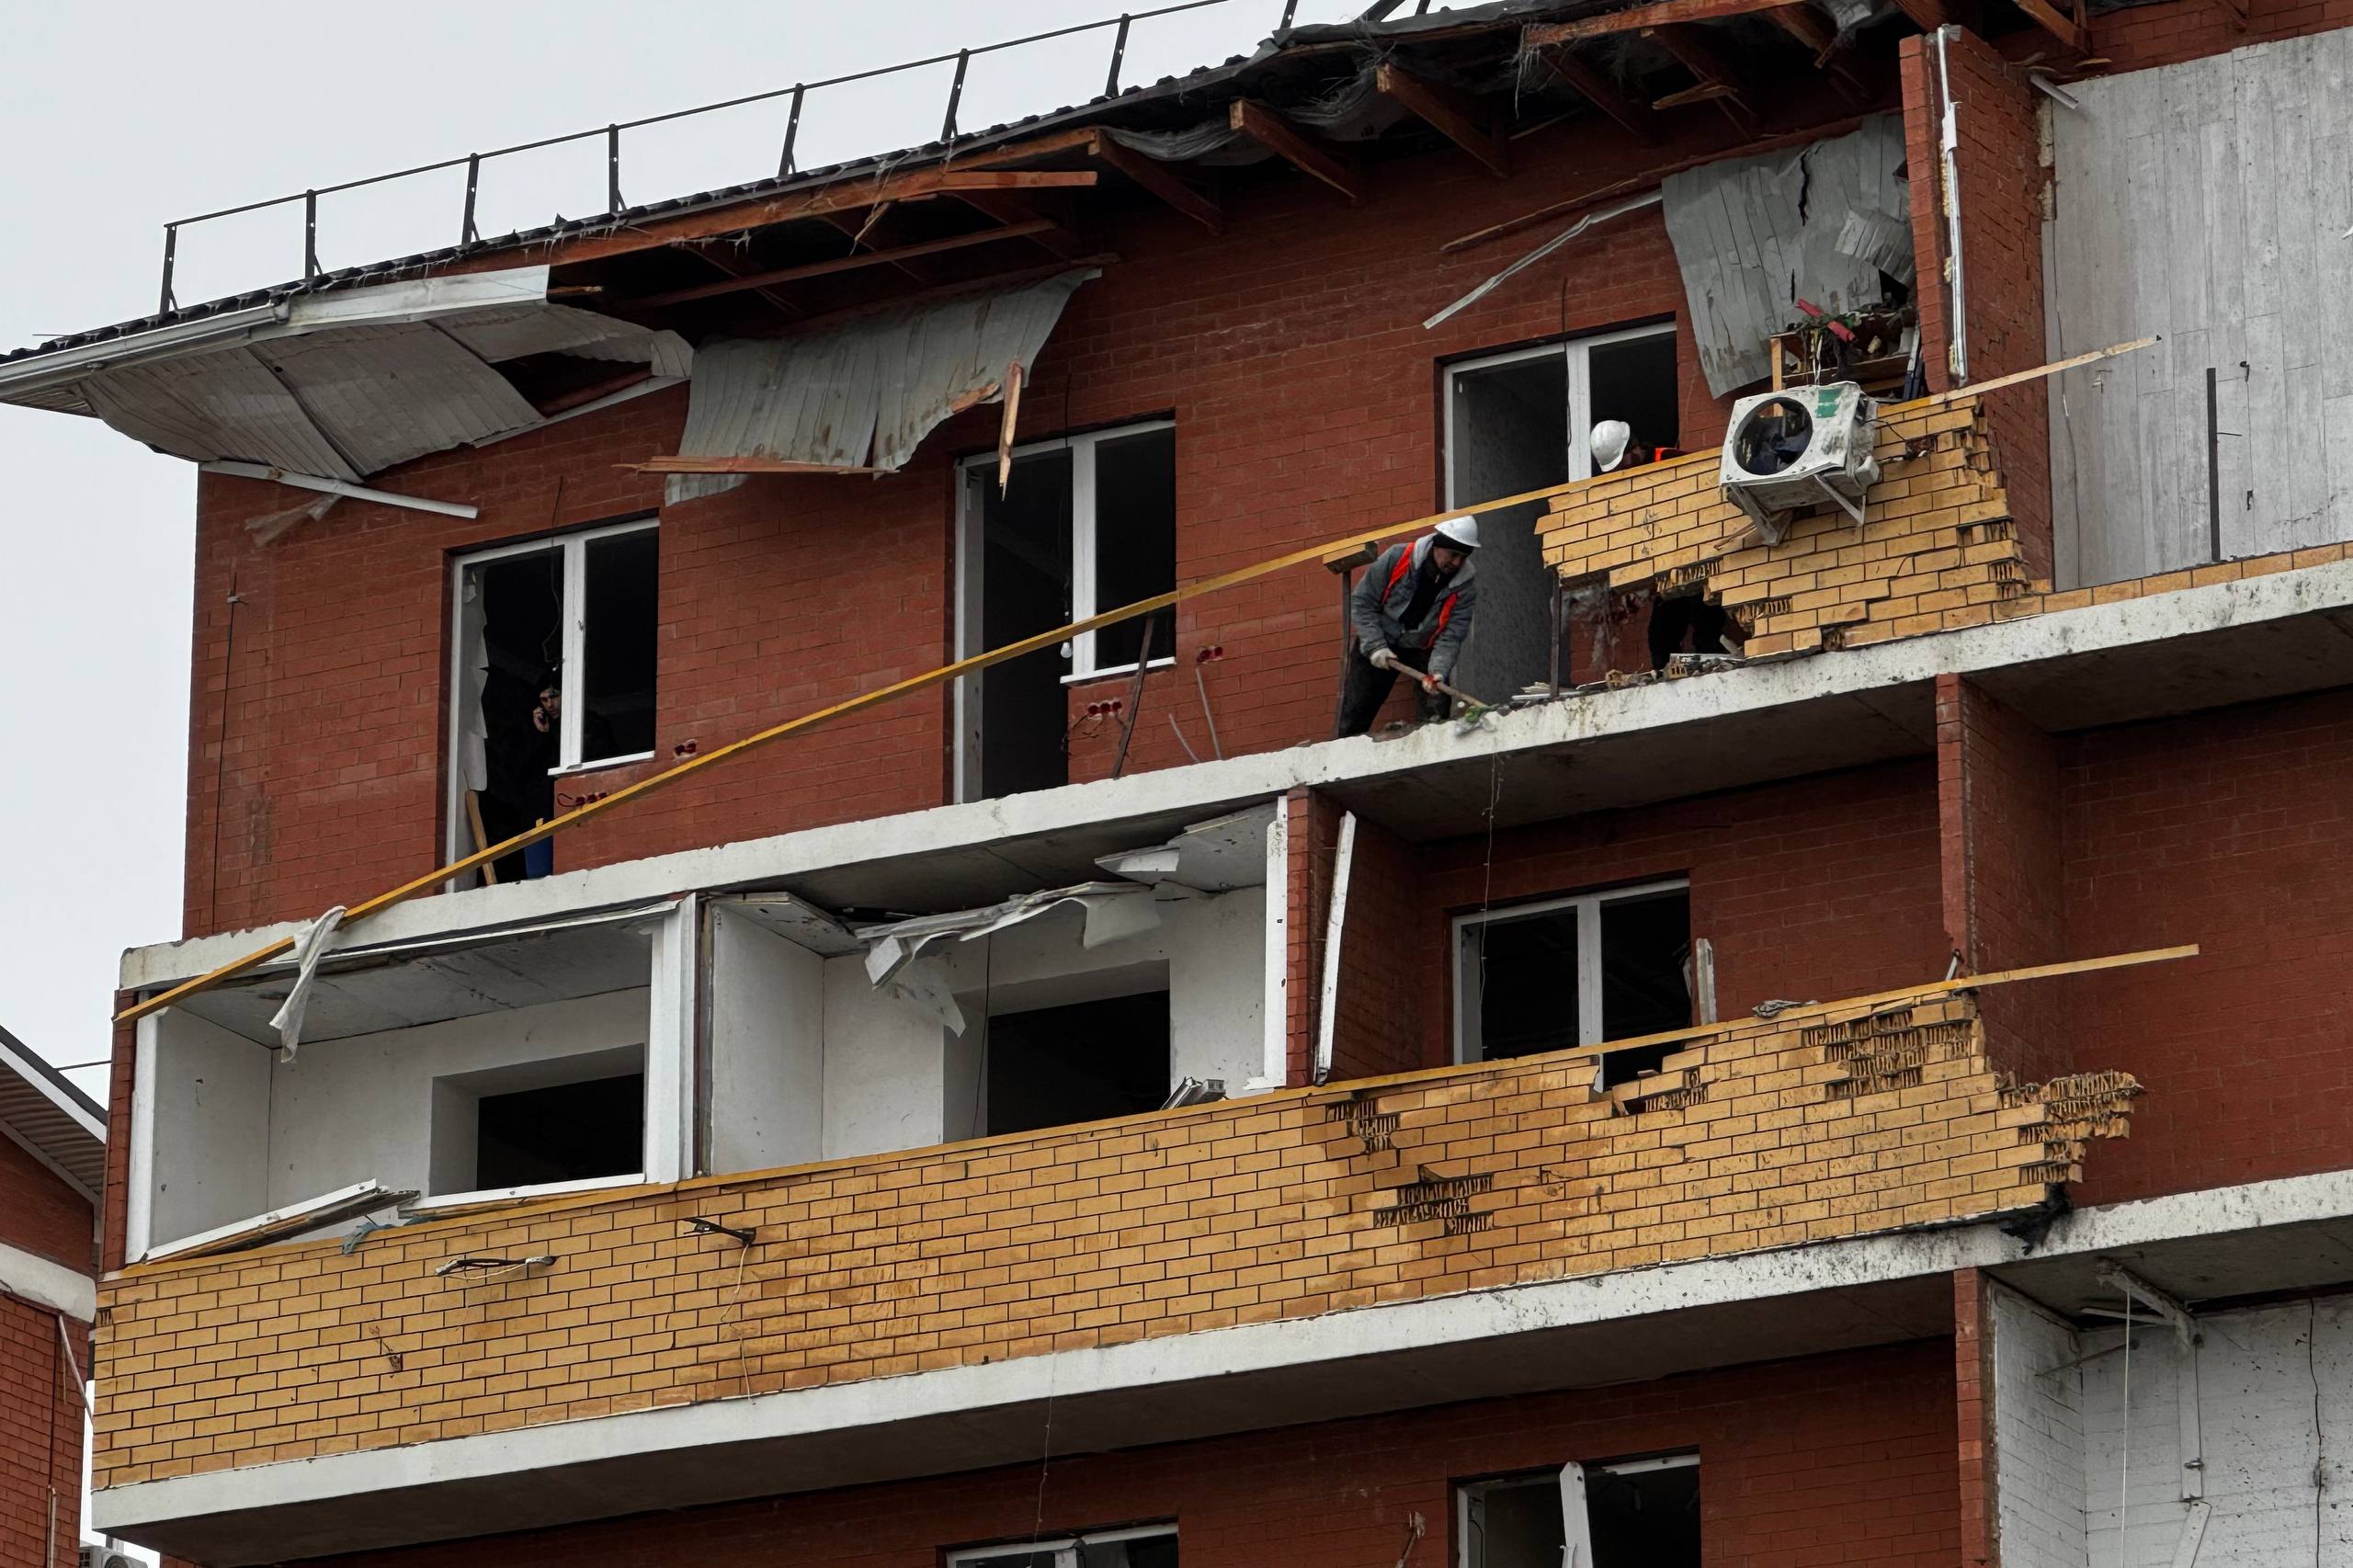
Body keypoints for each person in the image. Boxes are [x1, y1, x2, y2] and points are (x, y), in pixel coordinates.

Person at [1335, 516, 1480, 738]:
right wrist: (1375, 646)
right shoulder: (1398, 558)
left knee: (1436, 712)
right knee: (1356, 710)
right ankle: (1340, 761)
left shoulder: (1465, 587)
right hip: (1381, 640)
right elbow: (1363, 602)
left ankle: (1431, 756)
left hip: (1423, 649)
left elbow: (1451, 636)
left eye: (1463, 557)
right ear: (1437, 546)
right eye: (1453, 554)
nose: (1457, 563)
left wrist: (1438, 671)